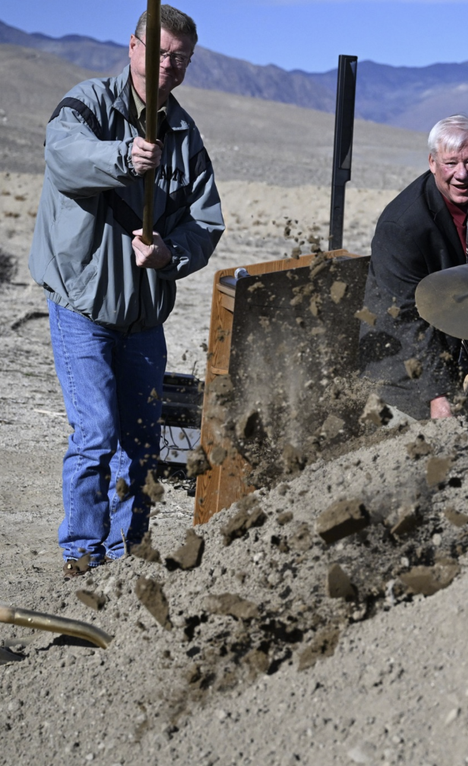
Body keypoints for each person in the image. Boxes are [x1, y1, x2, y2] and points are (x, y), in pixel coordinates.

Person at [28, 5, 224, 579]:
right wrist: (121, 157)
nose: (170, 66)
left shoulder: (184, 134)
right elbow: (62, 157)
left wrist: (170, 254)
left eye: (181, 59)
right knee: (97, 431)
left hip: (142, 314)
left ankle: (124, 552)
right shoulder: (88, 104)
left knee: (139, 438)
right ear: (134, 47)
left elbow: (206, 222)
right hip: (82, 304)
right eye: (161, 53)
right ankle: (82, 552)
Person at [360, 115, 468, 422]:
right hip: (406, 363)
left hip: (462, 349)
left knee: (464, 449)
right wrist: (436, 396)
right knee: (424, 457)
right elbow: (404, 319)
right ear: (432, 162)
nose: (462, 174)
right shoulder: (403, 226)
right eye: (450, 163)